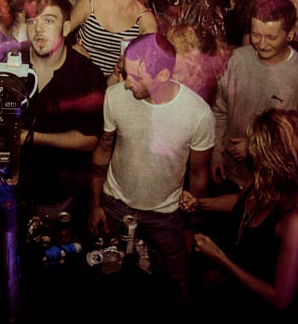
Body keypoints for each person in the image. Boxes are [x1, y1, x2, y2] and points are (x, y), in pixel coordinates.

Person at [89, 33, 214, 299]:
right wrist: (95, 204)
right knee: (108, 281)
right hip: (114, 204)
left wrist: (192, 225)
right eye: (126, 73)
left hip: (166, 215)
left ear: (163, 75)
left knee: (177, 287)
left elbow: (199, 174)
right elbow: (103, 151)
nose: (126, 84)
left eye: (136, 77)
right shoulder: (114, 96)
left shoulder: (198, 113)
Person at [183, 110, 298, 313]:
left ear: (278, 160)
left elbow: (280, 299)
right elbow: (242, 202)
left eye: (258, 148)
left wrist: (219, 258)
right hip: (236, 288)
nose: (251, 151)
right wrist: (200, 204)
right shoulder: (264, 176)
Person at [17, 0, 106, 214]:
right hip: (12, 192)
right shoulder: (8, 62)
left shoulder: (87, 75)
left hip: (61, 195)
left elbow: (89, 139)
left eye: (48, 21)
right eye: (32, 21)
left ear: (66, 28)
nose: (38, 29)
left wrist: (30, 138)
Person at [212, 0, 298, 189]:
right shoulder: (236, 59)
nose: (261, 44)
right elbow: (219, 111)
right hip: (228, 173)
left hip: (271, 182)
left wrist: (255, 147)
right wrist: (216, 153)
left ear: (290, 34)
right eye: (256, 35)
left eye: (271, 37)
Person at [70, 0, 158, 81]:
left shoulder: (146, 20)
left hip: (117, 84)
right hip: (77, 76)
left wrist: (120, 69)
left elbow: (149, 66)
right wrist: (70, 49)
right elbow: (58, 34)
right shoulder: (90, 2)